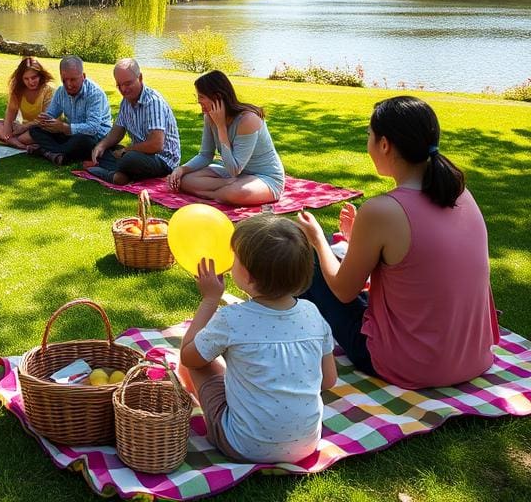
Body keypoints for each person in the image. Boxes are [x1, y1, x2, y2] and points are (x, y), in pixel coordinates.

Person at [296, 95, 499, 389]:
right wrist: (357, 240)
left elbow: (343, 291)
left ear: (385, 144)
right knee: (335, 254)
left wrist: (316, 240)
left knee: (313, 254)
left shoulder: (383, 211)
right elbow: (421, 261)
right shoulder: (460, 193)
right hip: (473, 356)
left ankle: (289, 333)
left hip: (410, 365)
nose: (367, 143)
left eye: (369, 135)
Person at [178, 216, 337, 463]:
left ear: (249, 276)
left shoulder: (232, 318)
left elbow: (188, 356)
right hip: (306, 444)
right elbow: (328, 380)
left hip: (243, 445)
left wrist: (210, 299)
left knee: (201, 364)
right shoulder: (312, 313)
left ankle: (207, 413)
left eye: (235, 259)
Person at [167, 70, 284, 205]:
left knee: (234, 193)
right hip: (233, 177)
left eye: (201, 96)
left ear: (217, 97)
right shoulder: (209, 117)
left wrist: (221, 127)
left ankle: (219, 193)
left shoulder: (248, 120)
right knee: (185, 180)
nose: (198, 101)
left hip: (264, 178)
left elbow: (235, 169)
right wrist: (181, 169)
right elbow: (205, 155)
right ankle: (222, 192)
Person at [88, 58, 181, 185]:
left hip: (162, 160)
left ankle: (114, 175)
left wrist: (127, 150)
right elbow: (117, 131)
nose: (123, 89)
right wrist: (101, 146)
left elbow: (156, 145)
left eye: (128, 83)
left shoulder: (153, 102)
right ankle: (119, 174)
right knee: (99, 146)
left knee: (129, 159)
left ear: (140, 78)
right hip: (140, 155)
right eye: (119, 85)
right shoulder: (126, 102)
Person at [28, 55, 112, 166]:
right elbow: (50, 114)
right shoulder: (61, 92)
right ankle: (58, 153)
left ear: (83, 76)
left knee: (83, 140)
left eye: (73, 79)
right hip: (71, 134)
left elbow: (93, 128)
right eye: (64, 80)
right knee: (35, 129)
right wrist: (45, 121)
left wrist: (64, 128)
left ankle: (47, 151)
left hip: (96, 137)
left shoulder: (94, 94)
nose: (69, 84)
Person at [0, 56, 55, 150]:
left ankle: (17, 143)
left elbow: (46, 119)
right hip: (23, 127)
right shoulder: (18, 90)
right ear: (21, 79)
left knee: (25, 138)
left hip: (43, 128)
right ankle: (17, 143)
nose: (30, 82)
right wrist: (7, 132)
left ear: (40, 75)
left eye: (34, 77)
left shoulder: (48, 89)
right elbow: (9, 117)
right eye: (26, 79)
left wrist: (23, 127)